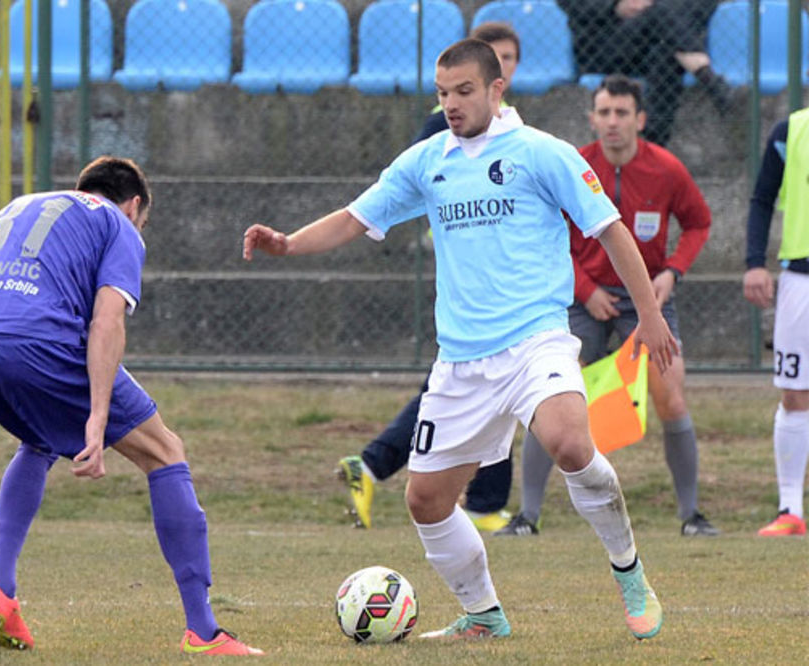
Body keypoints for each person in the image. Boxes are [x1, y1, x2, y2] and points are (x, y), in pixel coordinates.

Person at [246, 38, 676, 641]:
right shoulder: (426, 161)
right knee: (425, 500)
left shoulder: (540, 153)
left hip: (536, 340)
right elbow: (354, 216)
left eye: (464, 91)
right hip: (462, 361)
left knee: (569, 443)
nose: (451, 103)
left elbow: (609, 229)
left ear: (497, 90)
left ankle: (630, 574)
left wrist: (651, 319)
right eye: (443, 93)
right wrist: (289, 242)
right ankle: (483, 614)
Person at [0, 157, 264, 657]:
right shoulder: (117, 223)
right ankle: (203, 631)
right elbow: (107, 321)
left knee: (39, 438)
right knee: (164, 451)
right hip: (34, 343)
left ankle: (1, 589)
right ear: (135, 205)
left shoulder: (20, 208)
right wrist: (96, 418)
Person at [496, 74, 719, 538]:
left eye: (622, 113)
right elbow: (547, 236)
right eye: (604, 113)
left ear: (640, 119)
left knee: (670, 395)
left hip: (646, 302)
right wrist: (585, 289)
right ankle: (527, 517)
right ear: (592, 119)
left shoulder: (667, 169)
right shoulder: (573, 164)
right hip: (584, 298)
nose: (612, 122)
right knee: (548, 398)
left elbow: (699, 222)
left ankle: (692, 517)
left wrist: (670, 272)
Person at [336, 21, 522, 532]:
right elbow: (412, 185)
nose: (502, 65)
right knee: (478, 391)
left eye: (508, 58)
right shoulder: (443, 129)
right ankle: (478, 503)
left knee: (494, 392)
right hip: (469, 292)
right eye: (448, 91)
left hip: (508, 292)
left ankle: (387, 469)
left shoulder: (521, 136)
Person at [743, 106, 809, 537]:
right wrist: (753, 263)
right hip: (801, 280)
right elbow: (762, 198)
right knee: (794, 393)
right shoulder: (791, 131)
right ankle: (790, 510)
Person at [557, 0, 734, 147]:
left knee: (664, 50)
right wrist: (614, 5)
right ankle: (708, 77)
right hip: (601, 48)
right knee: (661, 16)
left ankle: (653, 140)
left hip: (650, 44)